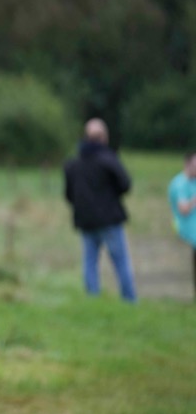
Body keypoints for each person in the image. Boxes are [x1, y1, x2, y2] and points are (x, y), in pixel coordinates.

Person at [63, 118, 137, 302]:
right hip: (109, 219)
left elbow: (69, 194)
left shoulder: (73, 163)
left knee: (89, 262)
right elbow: (125, 184)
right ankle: (129, 300)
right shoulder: (109, 160)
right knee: (120, 261)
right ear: (104, 137)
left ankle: (92, 299)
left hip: (85, 220)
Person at [167, 151, 196, 299]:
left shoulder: (193, 181)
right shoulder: (180, 184)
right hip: (187, 226)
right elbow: (183, 210)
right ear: (187, 165)